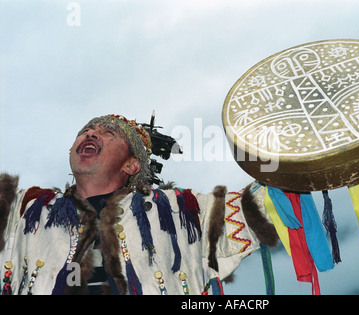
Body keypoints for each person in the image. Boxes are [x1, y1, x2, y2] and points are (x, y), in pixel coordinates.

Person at [0, 114, 278, 295]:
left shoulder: (181, 211)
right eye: (85, 131)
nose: (91, 134)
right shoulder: (25, 211)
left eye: (108, 133)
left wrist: (295, 153)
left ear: (132, 164)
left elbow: (261, 203)